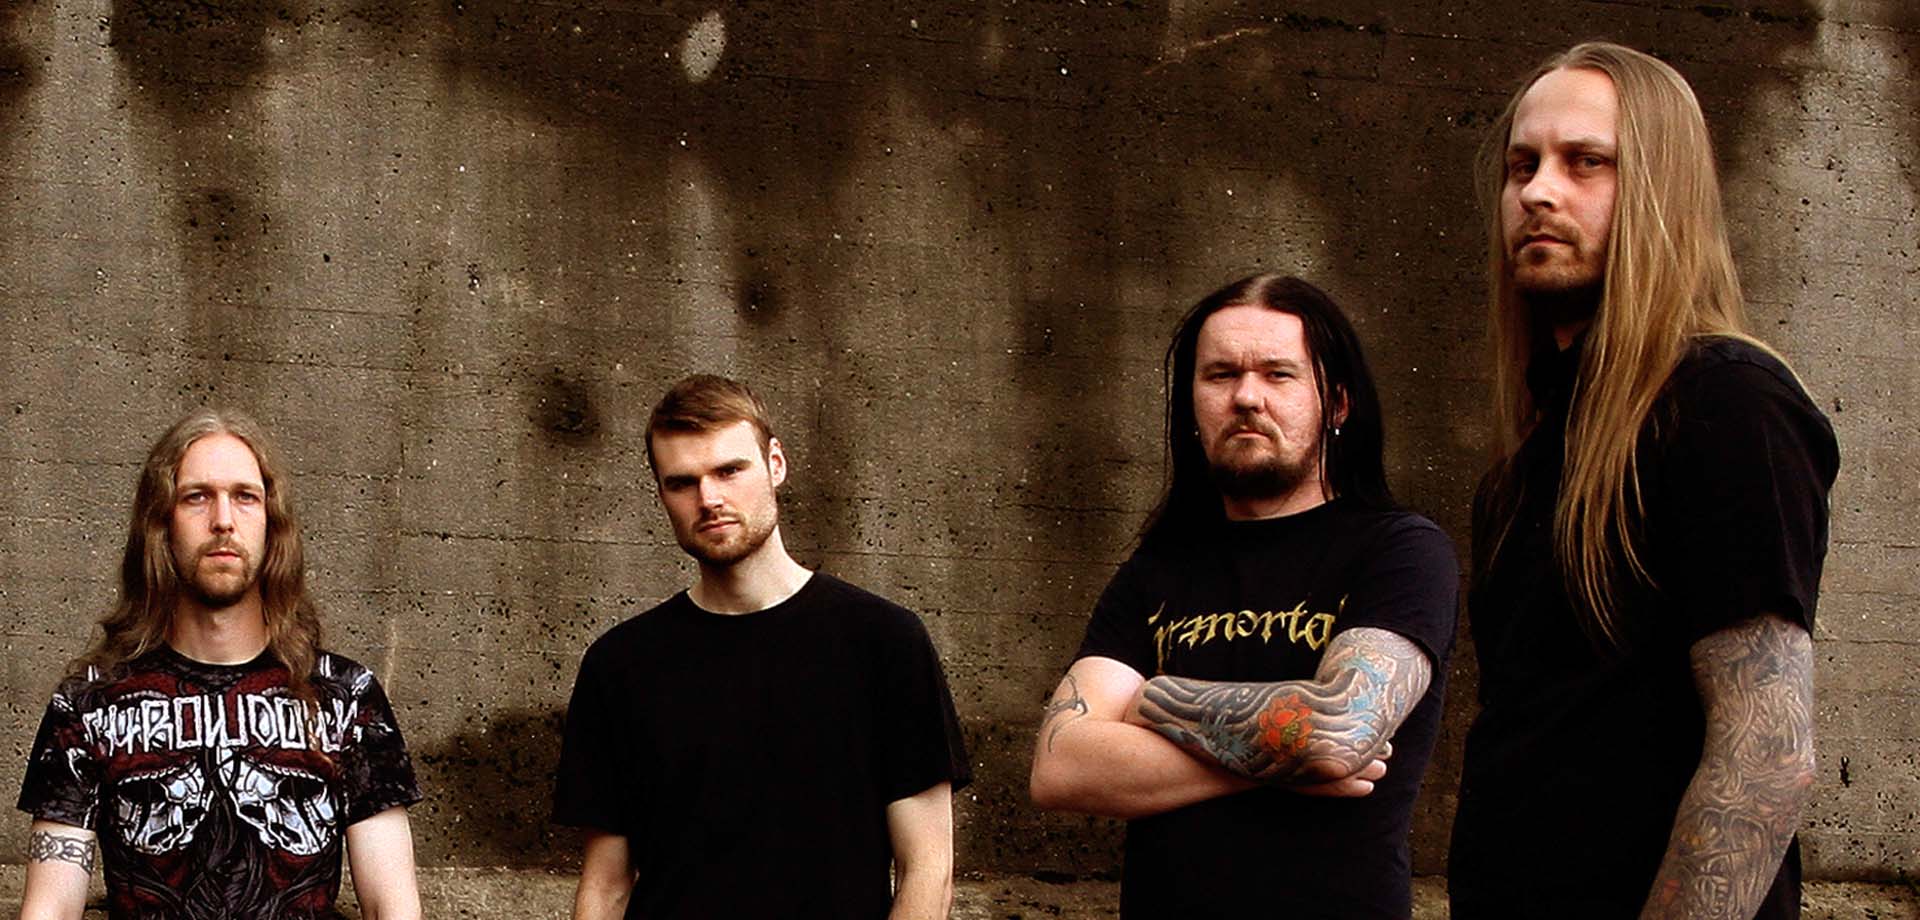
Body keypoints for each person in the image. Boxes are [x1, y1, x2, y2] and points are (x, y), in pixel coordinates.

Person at [1448, 42, 1840, 920]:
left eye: (1586, 161)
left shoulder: (1725, 403)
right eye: (1522, 165)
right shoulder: (1519, 471)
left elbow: (1765, 756)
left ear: (1661, 187)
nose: (1538, 192)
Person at [1028, 274, 1459, 919]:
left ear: (1338, 404)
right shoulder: (1157, 570)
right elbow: (1061, 765)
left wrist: (1147, 700)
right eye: (1221, 375)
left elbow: (1338, 729)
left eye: (1278, 374)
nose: (1246, 397)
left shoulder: (1399, 551)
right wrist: (1284, 756)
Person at [553, 374, 971, 920]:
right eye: (682, 483)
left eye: (729, 470)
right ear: (662, 495)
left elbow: (928, 871)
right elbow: (605, 887)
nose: (709, 499)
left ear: (775, 463)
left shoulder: (884, 642)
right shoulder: (620, 665)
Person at [16, 408, 424, 920]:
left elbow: (393, 905)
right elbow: (50, 907)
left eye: (245, 496)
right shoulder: (89, 704)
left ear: (273, 525)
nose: (223, 520)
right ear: (161, 524)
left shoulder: (345, 697)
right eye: (197, 497)